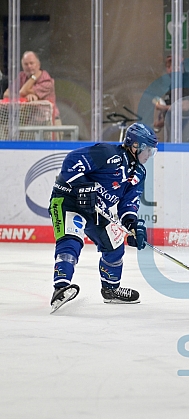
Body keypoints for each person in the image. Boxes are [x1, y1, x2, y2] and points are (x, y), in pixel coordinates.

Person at [48, 123, 158, 313]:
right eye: (147, 150)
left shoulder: (139, 173)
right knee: (71, 239)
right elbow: (71, 162)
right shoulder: (107, 154)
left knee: (115, 245)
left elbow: (129, 202)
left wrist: (131, 224)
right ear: (135, 145)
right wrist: (83, 186)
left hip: (97, 210)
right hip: (68, 200)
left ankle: (111, 290)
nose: (149, 155)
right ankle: (61, 287)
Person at [3, 51, 60, 124]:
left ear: (38, 65)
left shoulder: (47, 80)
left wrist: (34, 77)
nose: (29, 66)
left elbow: (23, 91)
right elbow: (6, 94)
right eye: (26, 64)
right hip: (32, 122)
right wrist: (25, 98)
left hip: (49, 122)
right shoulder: (21, 76)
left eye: (31, 63)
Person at [152, 55, 189, 138]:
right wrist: (159, 122)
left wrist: (162, 107)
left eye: (173, 66)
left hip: (185, 135)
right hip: (172, 135)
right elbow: (170, 111)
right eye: (168, 66)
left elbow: (185, 106)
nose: (170, 69)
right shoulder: (172, 85)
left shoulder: (186, 80)